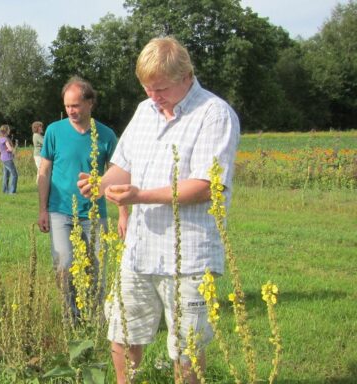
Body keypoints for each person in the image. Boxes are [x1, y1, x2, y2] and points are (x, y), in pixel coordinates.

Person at [78, 37, 240, 384]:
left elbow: (207, 185)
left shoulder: (214, 114)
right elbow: (123, 166)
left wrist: (139, 197)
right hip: (139, 250)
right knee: (123, 329)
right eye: (147, 88)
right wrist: (101, 183)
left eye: (161, 88)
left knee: (187, 345)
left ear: (186, 76)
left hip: (189, 256)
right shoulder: (144, 111)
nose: (154, 96)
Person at [37, 76, 123, 321]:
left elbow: (119, 175)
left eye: (75, 105)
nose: (71, 111)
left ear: (90, 103)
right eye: (67, 106)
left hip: (95, 213)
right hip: (59, 211)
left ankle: (96, 318)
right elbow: (43, 172)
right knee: (64, 264)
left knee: (96, 268)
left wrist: (123, 213)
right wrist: (42, 209)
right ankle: (71, 317)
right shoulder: (54, 131)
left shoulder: (105, 135)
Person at [0, 124, 18, 194]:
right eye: (8, 129)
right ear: (6, 130)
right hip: (8, 158)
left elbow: (0, 149)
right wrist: (11, 149)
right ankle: (12, 191)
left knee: (6, 175)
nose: (9, 130)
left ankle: (5, 190)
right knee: (14, 174)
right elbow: (10, 148)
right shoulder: (5, 139)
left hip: (3, 158)